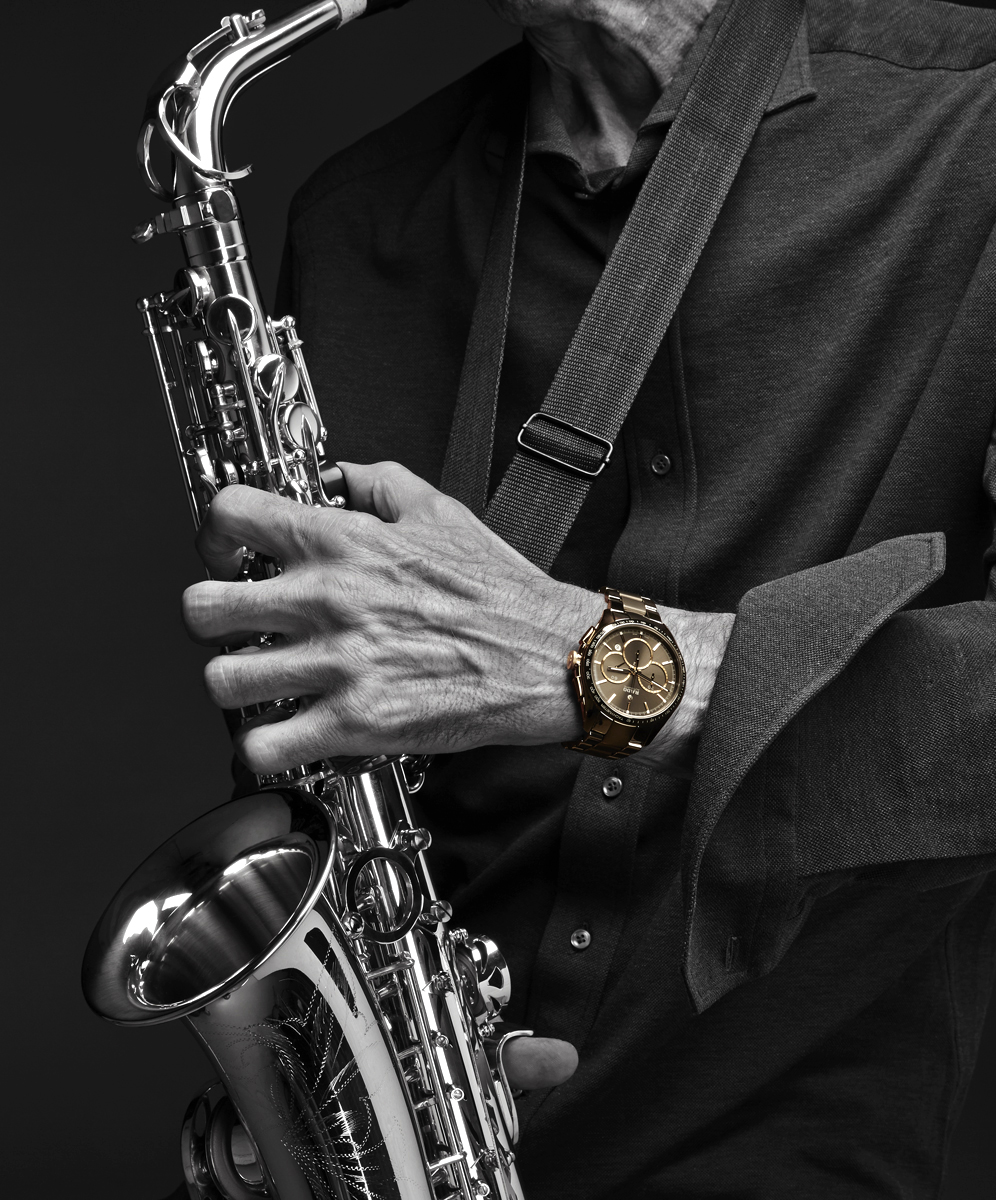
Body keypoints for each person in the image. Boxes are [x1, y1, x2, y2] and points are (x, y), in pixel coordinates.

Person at [182, 0, 996, 1195]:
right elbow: (333, 786)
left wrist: (594, 659)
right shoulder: (356, 222)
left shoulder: (973, 120)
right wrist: (291, 1112)